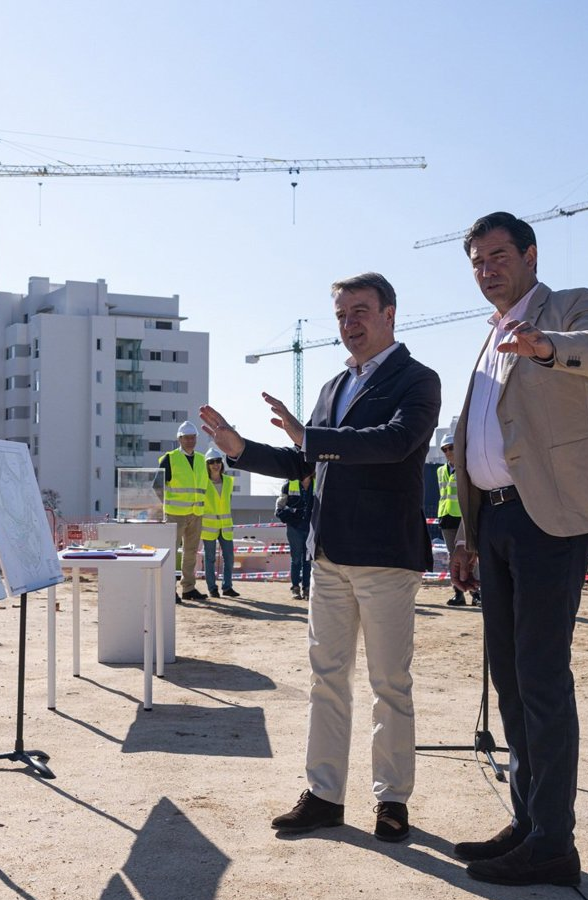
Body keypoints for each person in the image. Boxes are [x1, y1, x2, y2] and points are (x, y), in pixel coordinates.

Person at [199, 271, 439, 844]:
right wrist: (242, 450)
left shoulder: (418, 380)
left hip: (384, 558)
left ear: (390, 314)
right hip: (328, 558)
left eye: (360, 311)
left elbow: (393, 443)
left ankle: (392, 800)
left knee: (390, 685)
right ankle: (325, 795)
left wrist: (311, 438)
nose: (349, 324)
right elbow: (310, 461)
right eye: (340, 315)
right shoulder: (334, 385)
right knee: (326, 681)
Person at [446, 212, 588, 888]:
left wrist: (548, 347)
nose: (486, 268)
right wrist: (468, 534)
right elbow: (481, 441)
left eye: (497, 255)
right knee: (511, 677)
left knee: (542, 678)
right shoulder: (489, 337)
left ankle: (554, 842)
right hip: (494, 523)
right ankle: (529, 821)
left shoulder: (568, 308)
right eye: (476, 260)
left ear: (529, 255)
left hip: (549, 519)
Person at [161, 421, 209, 600]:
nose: (190, 441)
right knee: (171, 553)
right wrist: (163, 508)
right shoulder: (170, 458)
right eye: (186, 438)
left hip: (195, 514)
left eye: (193, 437)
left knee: (190, 553)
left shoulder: (202, 460)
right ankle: (168, 590)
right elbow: (157, 486)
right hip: (175, 514)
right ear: (179, 439)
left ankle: (188, 588)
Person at [436, 436, 477, 607]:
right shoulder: (439, 471)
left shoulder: (467, 467)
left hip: (463, 518)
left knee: (469, 556)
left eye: (451, 447)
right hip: (446, 517)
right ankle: (458, 594)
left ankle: (476, 593)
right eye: (444, 449)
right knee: (452, 557)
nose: (448, 452)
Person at [201, 447, 239, 598]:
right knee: (209, 559)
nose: (215, 464)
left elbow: (227, 502)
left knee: (229, 559)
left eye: (218, 461)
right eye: (211, 462)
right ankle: (212, 588)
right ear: (207, 465)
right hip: (209, 528)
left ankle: (227, 587)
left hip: (226, 527)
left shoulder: (229, 481)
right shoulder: (203, 482)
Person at [276, 475, 314, 599]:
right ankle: (295, 588)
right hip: (294, 528)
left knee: (308, 560)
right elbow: (279, 507)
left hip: (311, 528)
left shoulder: (318, 484)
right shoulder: (289, 485)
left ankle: (307, 588)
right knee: (296, 559)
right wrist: (285, 515)